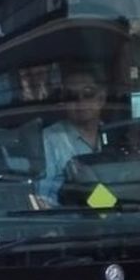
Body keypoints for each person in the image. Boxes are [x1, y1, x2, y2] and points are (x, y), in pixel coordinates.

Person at [38, 65, 109, 205]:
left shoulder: (116, 135)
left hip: (122, 219)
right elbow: (42, 199)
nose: (80, 101)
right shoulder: (51, 139)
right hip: (72, 222)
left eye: (88, 93)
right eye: (72, 96)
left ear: (101, 98)